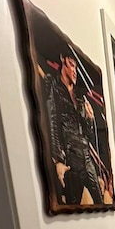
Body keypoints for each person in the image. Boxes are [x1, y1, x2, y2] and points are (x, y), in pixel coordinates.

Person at [40, 43, 104, 205]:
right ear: (62, 60)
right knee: (73, 203)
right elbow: (52, 121)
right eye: (71, 65)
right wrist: (58, 159)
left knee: (100, 201)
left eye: (76, 67)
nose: (74, 71)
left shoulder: (80, 97)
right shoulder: (53, 85)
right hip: (71, 155)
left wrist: (89, 119)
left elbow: (89, 133)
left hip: (86, 156)